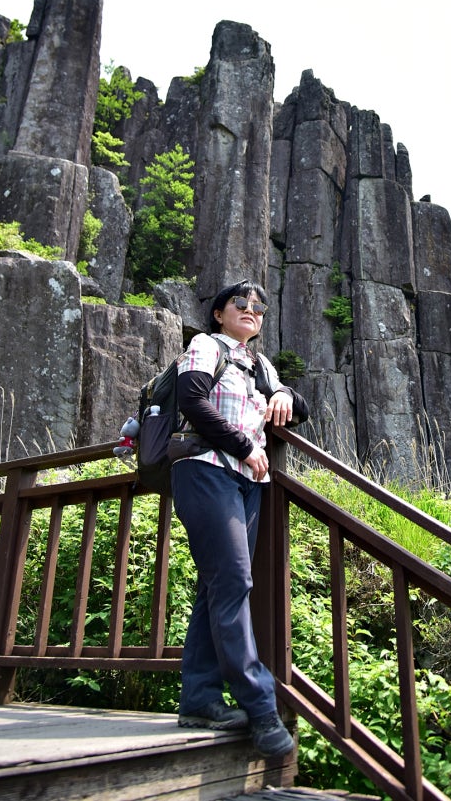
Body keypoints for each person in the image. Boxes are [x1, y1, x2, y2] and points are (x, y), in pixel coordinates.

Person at [171, 278, 309, 758]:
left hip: (247, 482)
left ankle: (199, 699)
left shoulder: (261, 365)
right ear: (219, 313)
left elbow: (300, 412)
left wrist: (285, 392)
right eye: (240, 303)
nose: (251, 309)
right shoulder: (205, 346)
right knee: (233, 580)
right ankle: (262, 707)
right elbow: (192, 400)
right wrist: (245, 445)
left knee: (217, 586)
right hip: (205, 470)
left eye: (259, 307)